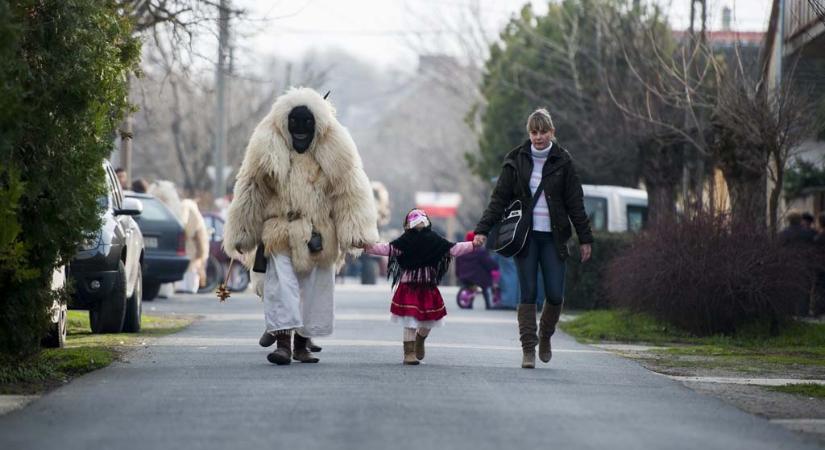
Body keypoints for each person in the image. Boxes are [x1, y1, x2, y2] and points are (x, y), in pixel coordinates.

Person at [223, 87, 378, 365]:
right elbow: (251, 188)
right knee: (281, 287)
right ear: (285, 123)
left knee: (315, 291)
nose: (301, 131)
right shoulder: (267, 142)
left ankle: (302, 344)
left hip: (320, 234)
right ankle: (283, 343)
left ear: (318, 125)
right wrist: (242, 231)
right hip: (280, 230)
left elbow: (351, 191)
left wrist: (356, 232)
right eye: (295, 124)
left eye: (307, 124)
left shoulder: (336, 145)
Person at [473, 108, 593, 369]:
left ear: (552, 132)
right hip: (525, 238)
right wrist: (482, 230)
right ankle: (528, 349)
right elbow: (499, 199)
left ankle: (545, 335)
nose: (538, 137)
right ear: (529, 133)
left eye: (543, 132)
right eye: (534, 132)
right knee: (527, 292)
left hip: (553, 237)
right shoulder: (516, 159)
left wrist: (585, 238)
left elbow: (575, 203)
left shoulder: (563, 160)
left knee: (555, 294)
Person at [364, 209, 476, 365]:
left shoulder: (434, 240)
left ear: (427, 223)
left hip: (428, 287)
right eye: (416, 221)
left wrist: (472, 245)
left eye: (421, 220)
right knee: (410, 321)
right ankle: (409, 354)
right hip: (408, 288)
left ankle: (420, 339)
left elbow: (453, 249)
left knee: (430, 320)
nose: (419, 224)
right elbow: (386, 248)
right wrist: (366, 246)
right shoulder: (405, 241)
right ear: (408, 225)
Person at [455, 231, 500, 308]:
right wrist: (495, 267)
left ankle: (469, 303)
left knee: (470, 285)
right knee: (485, 287)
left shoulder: (461, 251)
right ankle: (488, 304)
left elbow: (457, 264)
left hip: (463, 276)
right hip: (477, 278)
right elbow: (488, 263)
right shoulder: (480, 252)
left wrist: (458, 274)